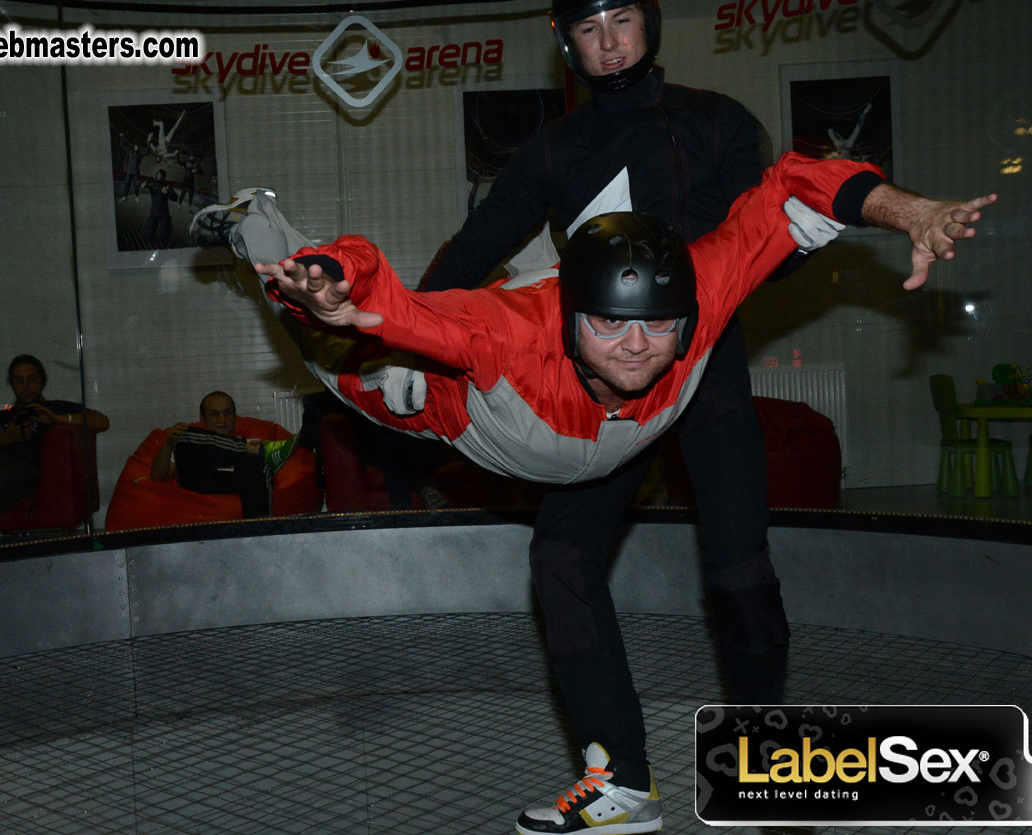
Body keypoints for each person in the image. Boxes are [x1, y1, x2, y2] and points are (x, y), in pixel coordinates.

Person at [213, 155, 992, 832]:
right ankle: (257, 225)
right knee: (334, 343)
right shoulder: (503, 330)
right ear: (569, 323)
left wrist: (911, 210)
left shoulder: (701, 291)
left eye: (659, 328)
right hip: (471, 407)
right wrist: (333, 281)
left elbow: (793, 187)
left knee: (561, 558)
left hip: (616, 441)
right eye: (610, 327)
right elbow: (394, 295)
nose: (635, 348)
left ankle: (622, 785)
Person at [418, 0, 805, 806]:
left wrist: (798, 224)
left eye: (620, 21)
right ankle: (622, 782)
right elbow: (473, 249)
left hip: (705, 374)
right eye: (588, 29)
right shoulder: (554, 150)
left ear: (649, 25)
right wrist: (403, 333)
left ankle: (769, 765)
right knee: (560, 559)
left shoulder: (716, 122)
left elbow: (769, 245)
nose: (608, 43)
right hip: (600, 387)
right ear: (566, 42)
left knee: (738, 570)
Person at [0, 355, 110, 535]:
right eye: (19, 380)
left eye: (31, 379)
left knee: (4, 476)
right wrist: (6, 439)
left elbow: (102, 421)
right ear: (12, 384)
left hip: (22, 471)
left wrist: (60, 419)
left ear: (42, 381)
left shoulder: (53, 409)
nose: (25, 386)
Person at [150, 391, 298, 519]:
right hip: (199, 482)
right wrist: (169, 443)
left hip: (235, 483)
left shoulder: (250, 442)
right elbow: (157, 476)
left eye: (227, 413)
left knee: (254, 462)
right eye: (214, 414)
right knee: (185, 437)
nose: (222, 420)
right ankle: (263, 452)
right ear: (203, 419)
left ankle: (260, 530)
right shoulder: (190, 443)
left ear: (235, 415)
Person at [143, 169, 178, 249]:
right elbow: (142, 184)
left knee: (164, 236)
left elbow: (175, 198)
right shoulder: (152, 184)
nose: (160, 176)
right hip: (154, 213)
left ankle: (165, 244)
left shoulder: (167, 186)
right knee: (148, 235)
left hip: (164, 214)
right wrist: (142, 185)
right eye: (158, 175)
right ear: (156, 175)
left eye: (162, 175)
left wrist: (168, 192)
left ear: (164, 177)